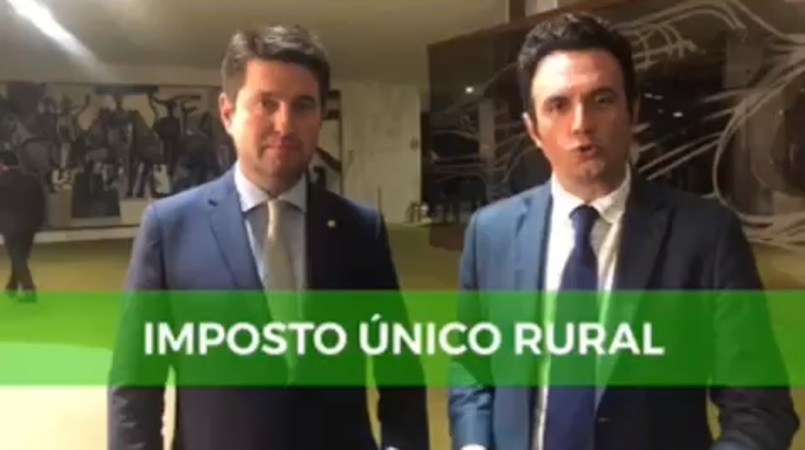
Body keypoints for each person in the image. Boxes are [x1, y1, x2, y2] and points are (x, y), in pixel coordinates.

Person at [448, 13, 798, 450]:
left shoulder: (705, 236)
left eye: (601, 100)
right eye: (558, 105)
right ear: (533, 129)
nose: (581, 123)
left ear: (632, 113)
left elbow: (760, 411)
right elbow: (472, 369)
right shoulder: (491, 233)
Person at [108, 25, 429, 450]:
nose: (285, 124)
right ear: (228, 113)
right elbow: (135, 388)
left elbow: (400, 374)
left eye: (303, 106)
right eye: (267, 104)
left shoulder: (360, 231)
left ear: (320, 115)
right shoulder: (169, 229)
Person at [0, 151, 46, 302]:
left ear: (3, 165)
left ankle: (28, 289)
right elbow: (40, 204)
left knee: (17, 257)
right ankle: (12, 286)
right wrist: (38, 223)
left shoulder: (1, 182)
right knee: (20, 257)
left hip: (10, 226)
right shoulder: (32, 181)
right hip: (30, 225)